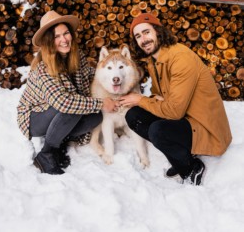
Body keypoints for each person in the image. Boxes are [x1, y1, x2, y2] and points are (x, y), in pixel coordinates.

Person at [119, 13, 232, 185]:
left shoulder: (180, 58)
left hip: (204, 126)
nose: (144, 39)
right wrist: (142, 101)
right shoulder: (155, 60)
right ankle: (179, 156)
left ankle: (190, 167)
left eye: (146, 32)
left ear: (158, 31)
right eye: (138, 36)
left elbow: (173, 110)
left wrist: (140, 99)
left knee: (158, 130)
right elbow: (160, 96)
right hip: (184, 115)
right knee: (134, 116)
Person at [17, 10, 116, 175]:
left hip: (60, 110)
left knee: (95, 116)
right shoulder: (43, 68)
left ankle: (58, 139)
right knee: (72, 108)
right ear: (49, 41)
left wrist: (113, 82)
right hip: (35, 117)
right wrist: (101, 103)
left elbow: (92, 76)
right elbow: (64, 102)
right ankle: (46, 154)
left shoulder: (76, 55)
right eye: (57, 36)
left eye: (66, 33)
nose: (64, 39)